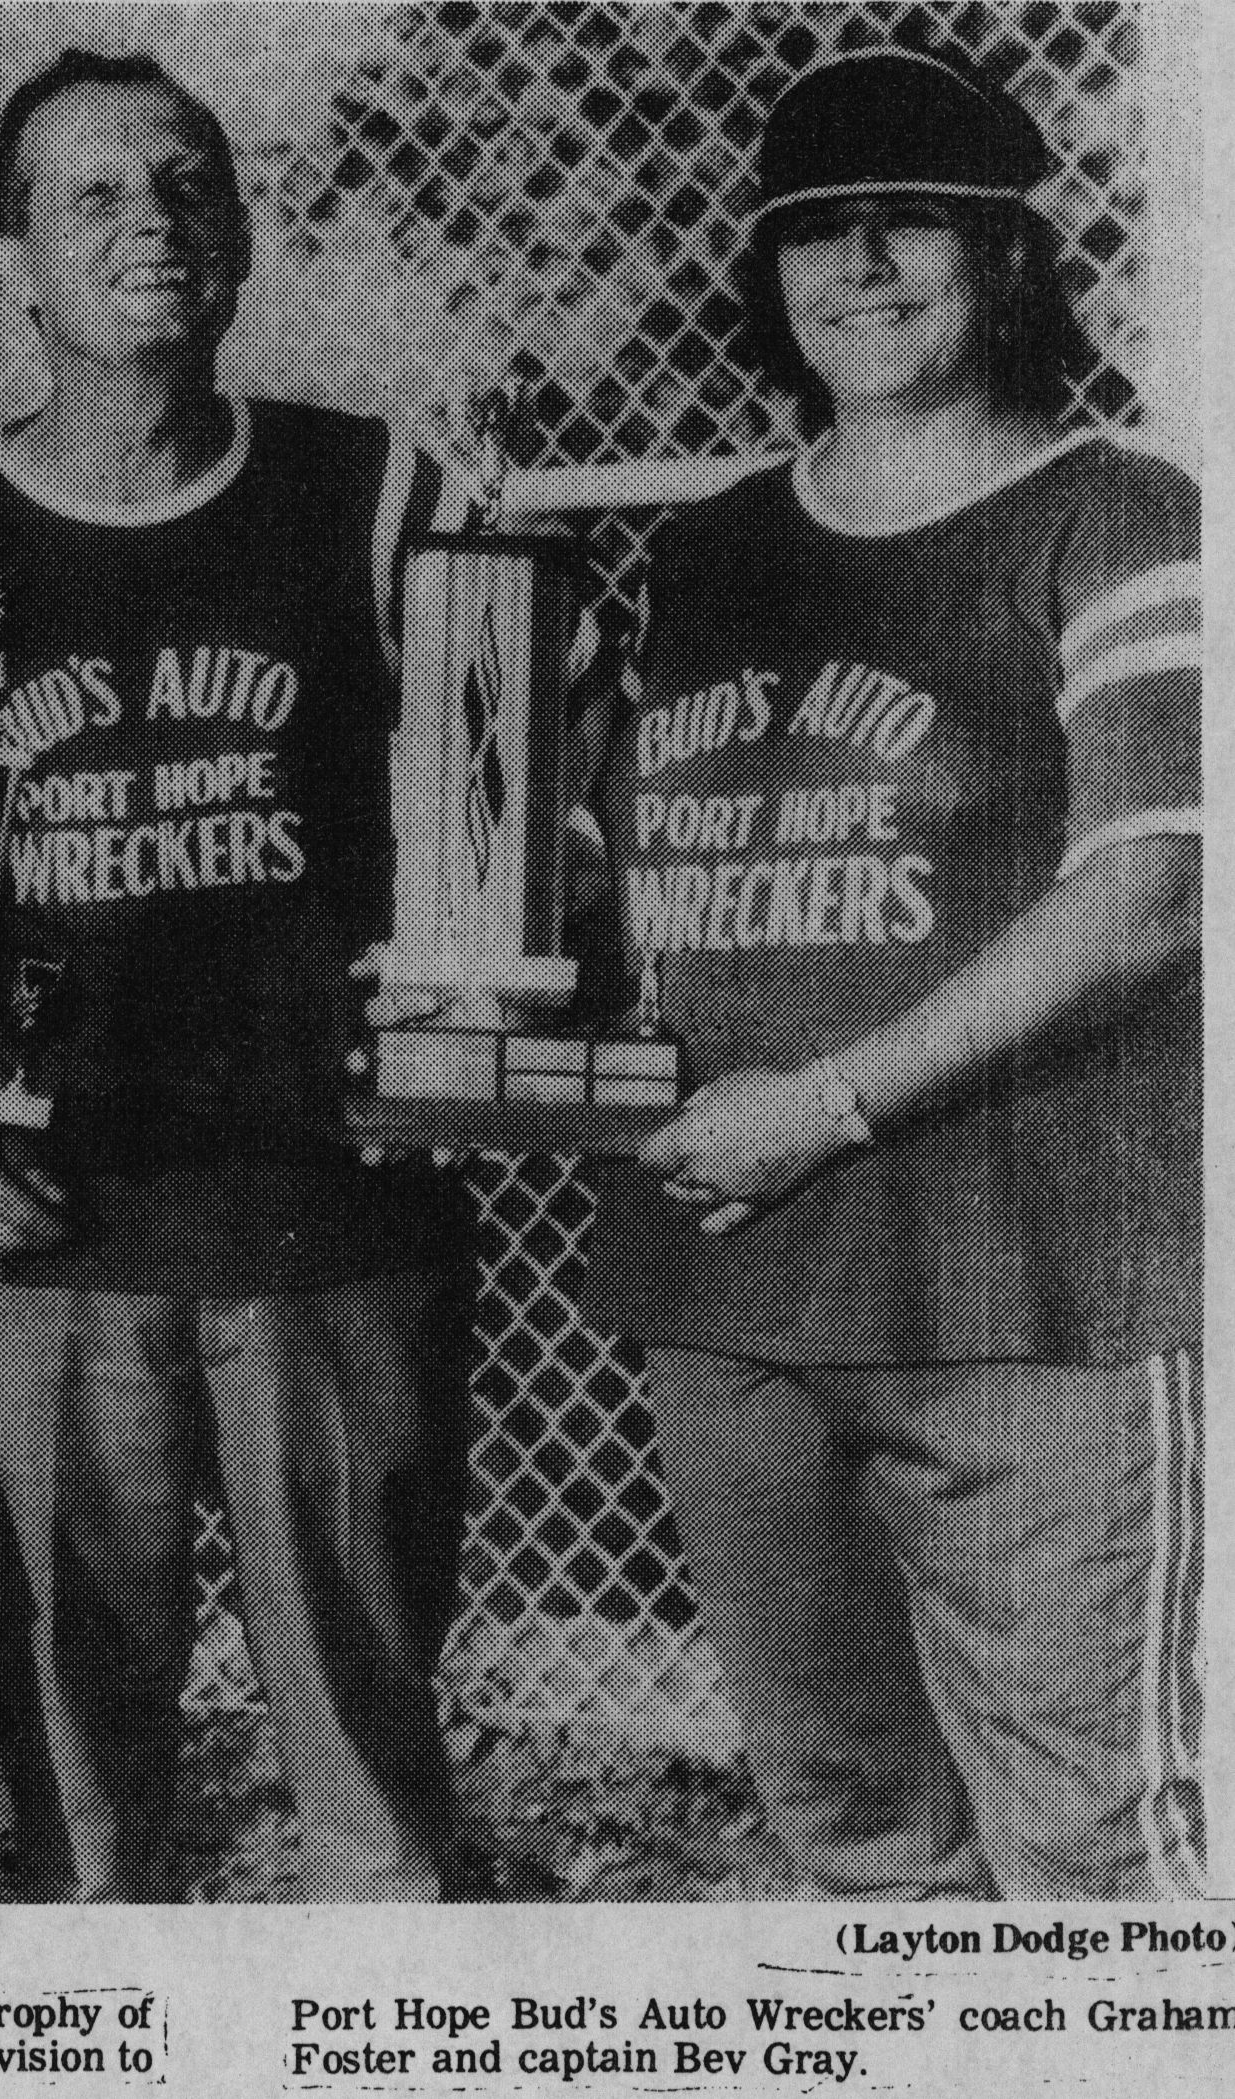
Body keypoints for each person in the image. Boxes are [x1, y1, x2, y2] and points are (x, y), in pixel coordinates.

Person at [0, 51, 483, 1900]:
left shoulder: (380, 493)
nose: (148, 222)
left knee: (378, 1808)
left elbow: (540, 809)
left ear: (241, 231)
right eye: (89, 194)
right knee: (79, 1819)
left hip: (332, 1217)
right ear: (10, 255)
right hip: (37, 1235)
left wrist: (469, 1040)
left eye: (185, 182)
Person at [574, 49, 1204, 1898]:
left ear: (1003, 256)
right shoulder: (705, 554)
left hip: (1029, 1285)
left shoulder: (1121, 514)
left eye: (904, 222)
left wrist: (830, 1101)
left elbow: (1152, 895)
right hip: (733, 1284)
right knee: (856, 1840)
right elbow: (628, 881)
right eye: (809, 237)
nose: (856, 268)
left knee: (1095, 1853)